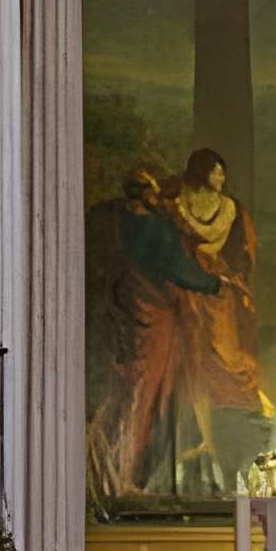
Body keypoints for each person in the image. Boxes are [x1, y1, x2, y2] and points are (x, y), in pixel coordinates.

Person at [88, 168, 224, 502]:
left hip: (127, 310)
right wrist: (214, 283)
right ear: (147, 194)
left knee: (130, 392)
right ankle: (128, 475)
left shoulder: (113, 220)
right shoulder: (154, 226)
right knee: (147, 395)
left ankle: (117, 473)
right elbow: (177, 266)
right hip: (154, 318)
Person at [172, 149, 272, 421]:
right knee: (189, 337)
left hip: (220, 281)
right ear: (201, 172)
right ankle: (191, 406)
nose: (221, 177)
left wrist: (230, 275)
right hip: (187, 278)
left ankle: (233, 403)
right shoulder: (179, 205)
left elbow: (242, 251)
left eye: (222, 171)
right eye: (216, 171)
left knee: (225, 346)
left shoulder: (231, 208)